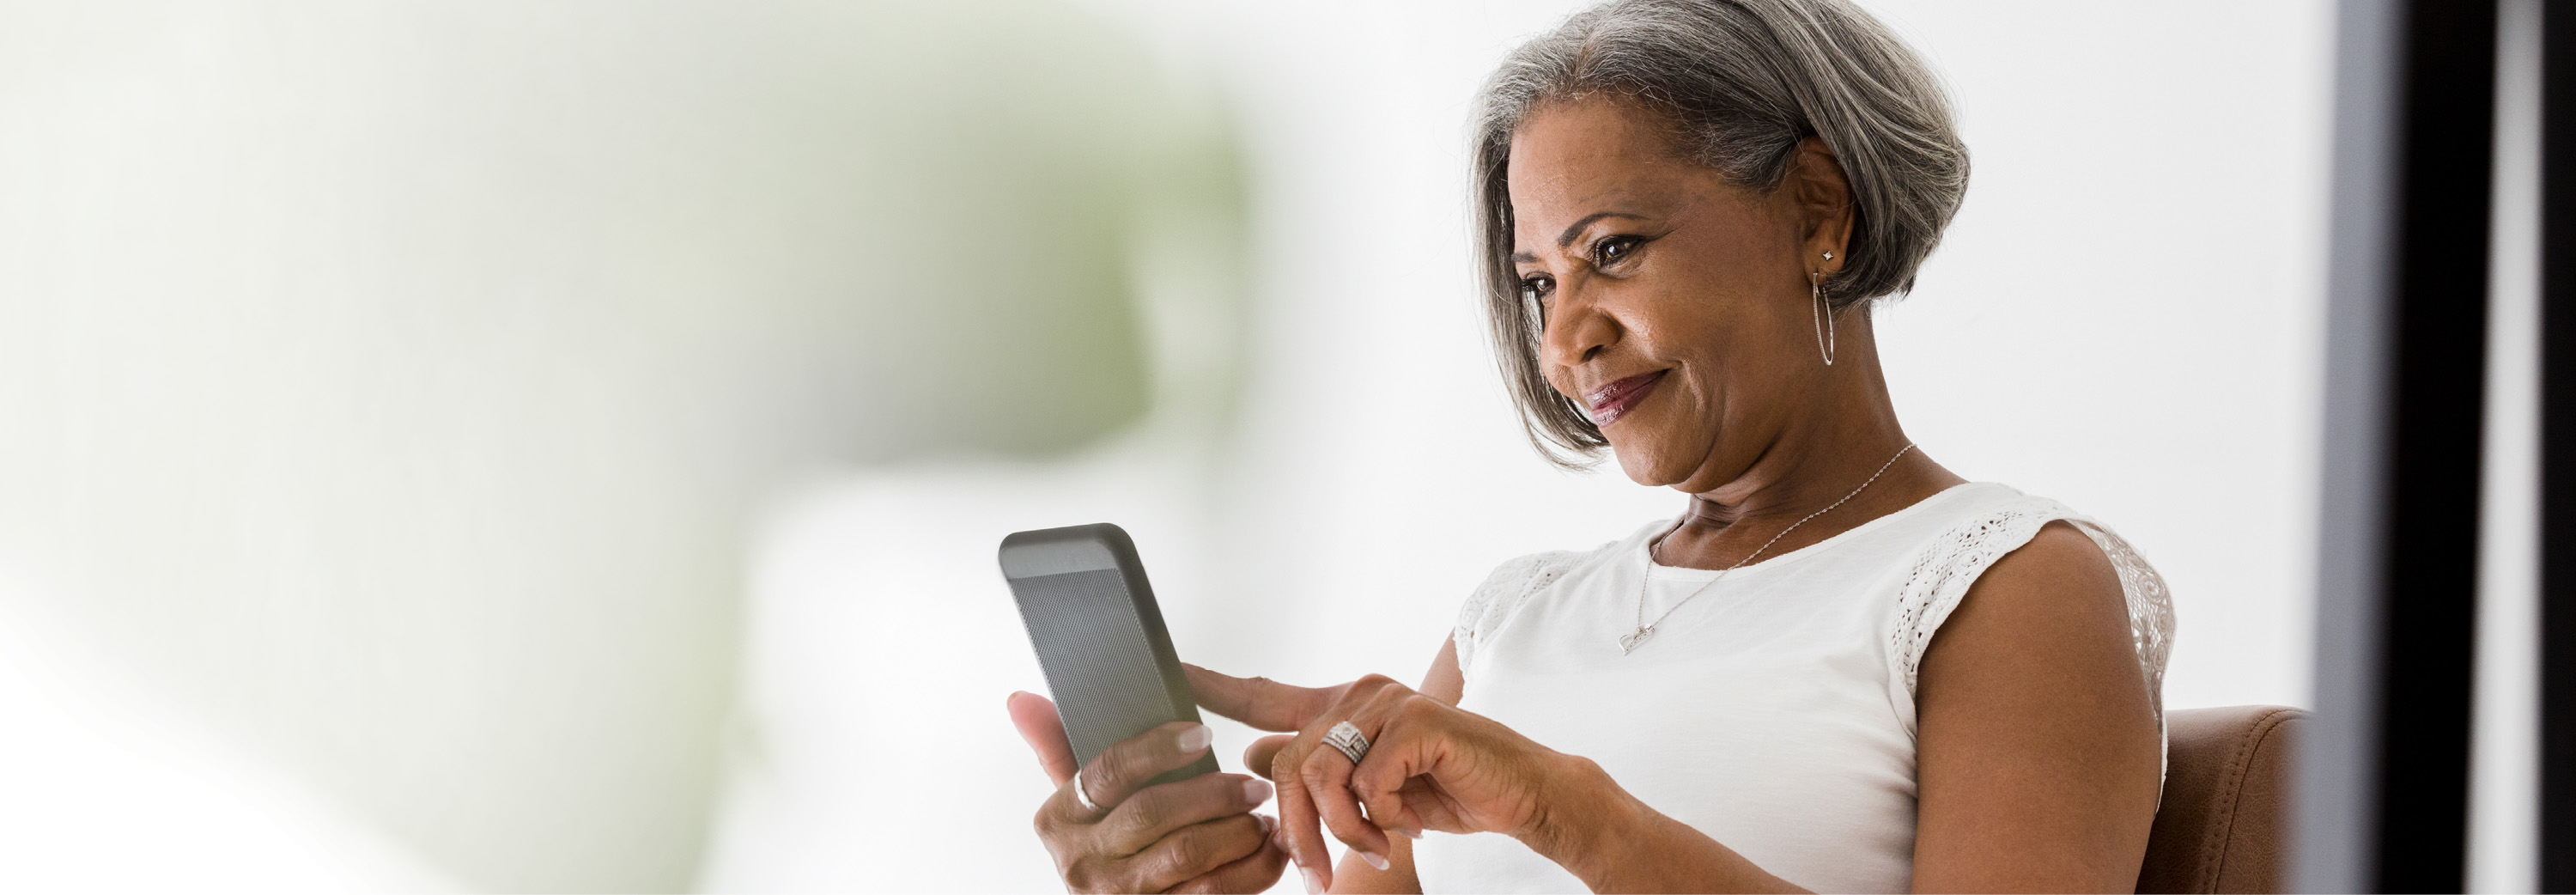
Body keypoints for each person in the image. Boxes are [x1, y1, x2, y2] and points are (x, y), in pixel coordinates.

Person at [1006, 0, 2174, 891]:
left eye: (1613, 250)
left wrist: (1572, 812)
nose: (1567, 337)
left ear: (1818, 212)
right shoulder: (1511, 618)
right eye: (1538, 281)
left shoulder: (2005, 583)